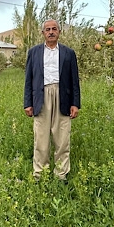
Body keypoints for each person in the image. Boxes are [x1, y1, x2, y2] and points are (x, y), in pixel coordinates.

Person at [23, 19, 81, 182]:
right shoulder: (34, 52)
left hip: (63, 96)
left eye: (54, 29)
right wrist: (28, 102)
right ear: (42, 33)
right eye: (47, 29)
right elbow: (29, 79)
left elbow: (74, 80)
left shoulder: (68, 53)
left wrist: (75, 103)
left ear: (59, 32)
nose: (51, 32)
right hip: (40, 97)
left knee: (62, 138)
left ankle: (61, 175)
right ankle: (40, 175)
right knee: (41, 139)